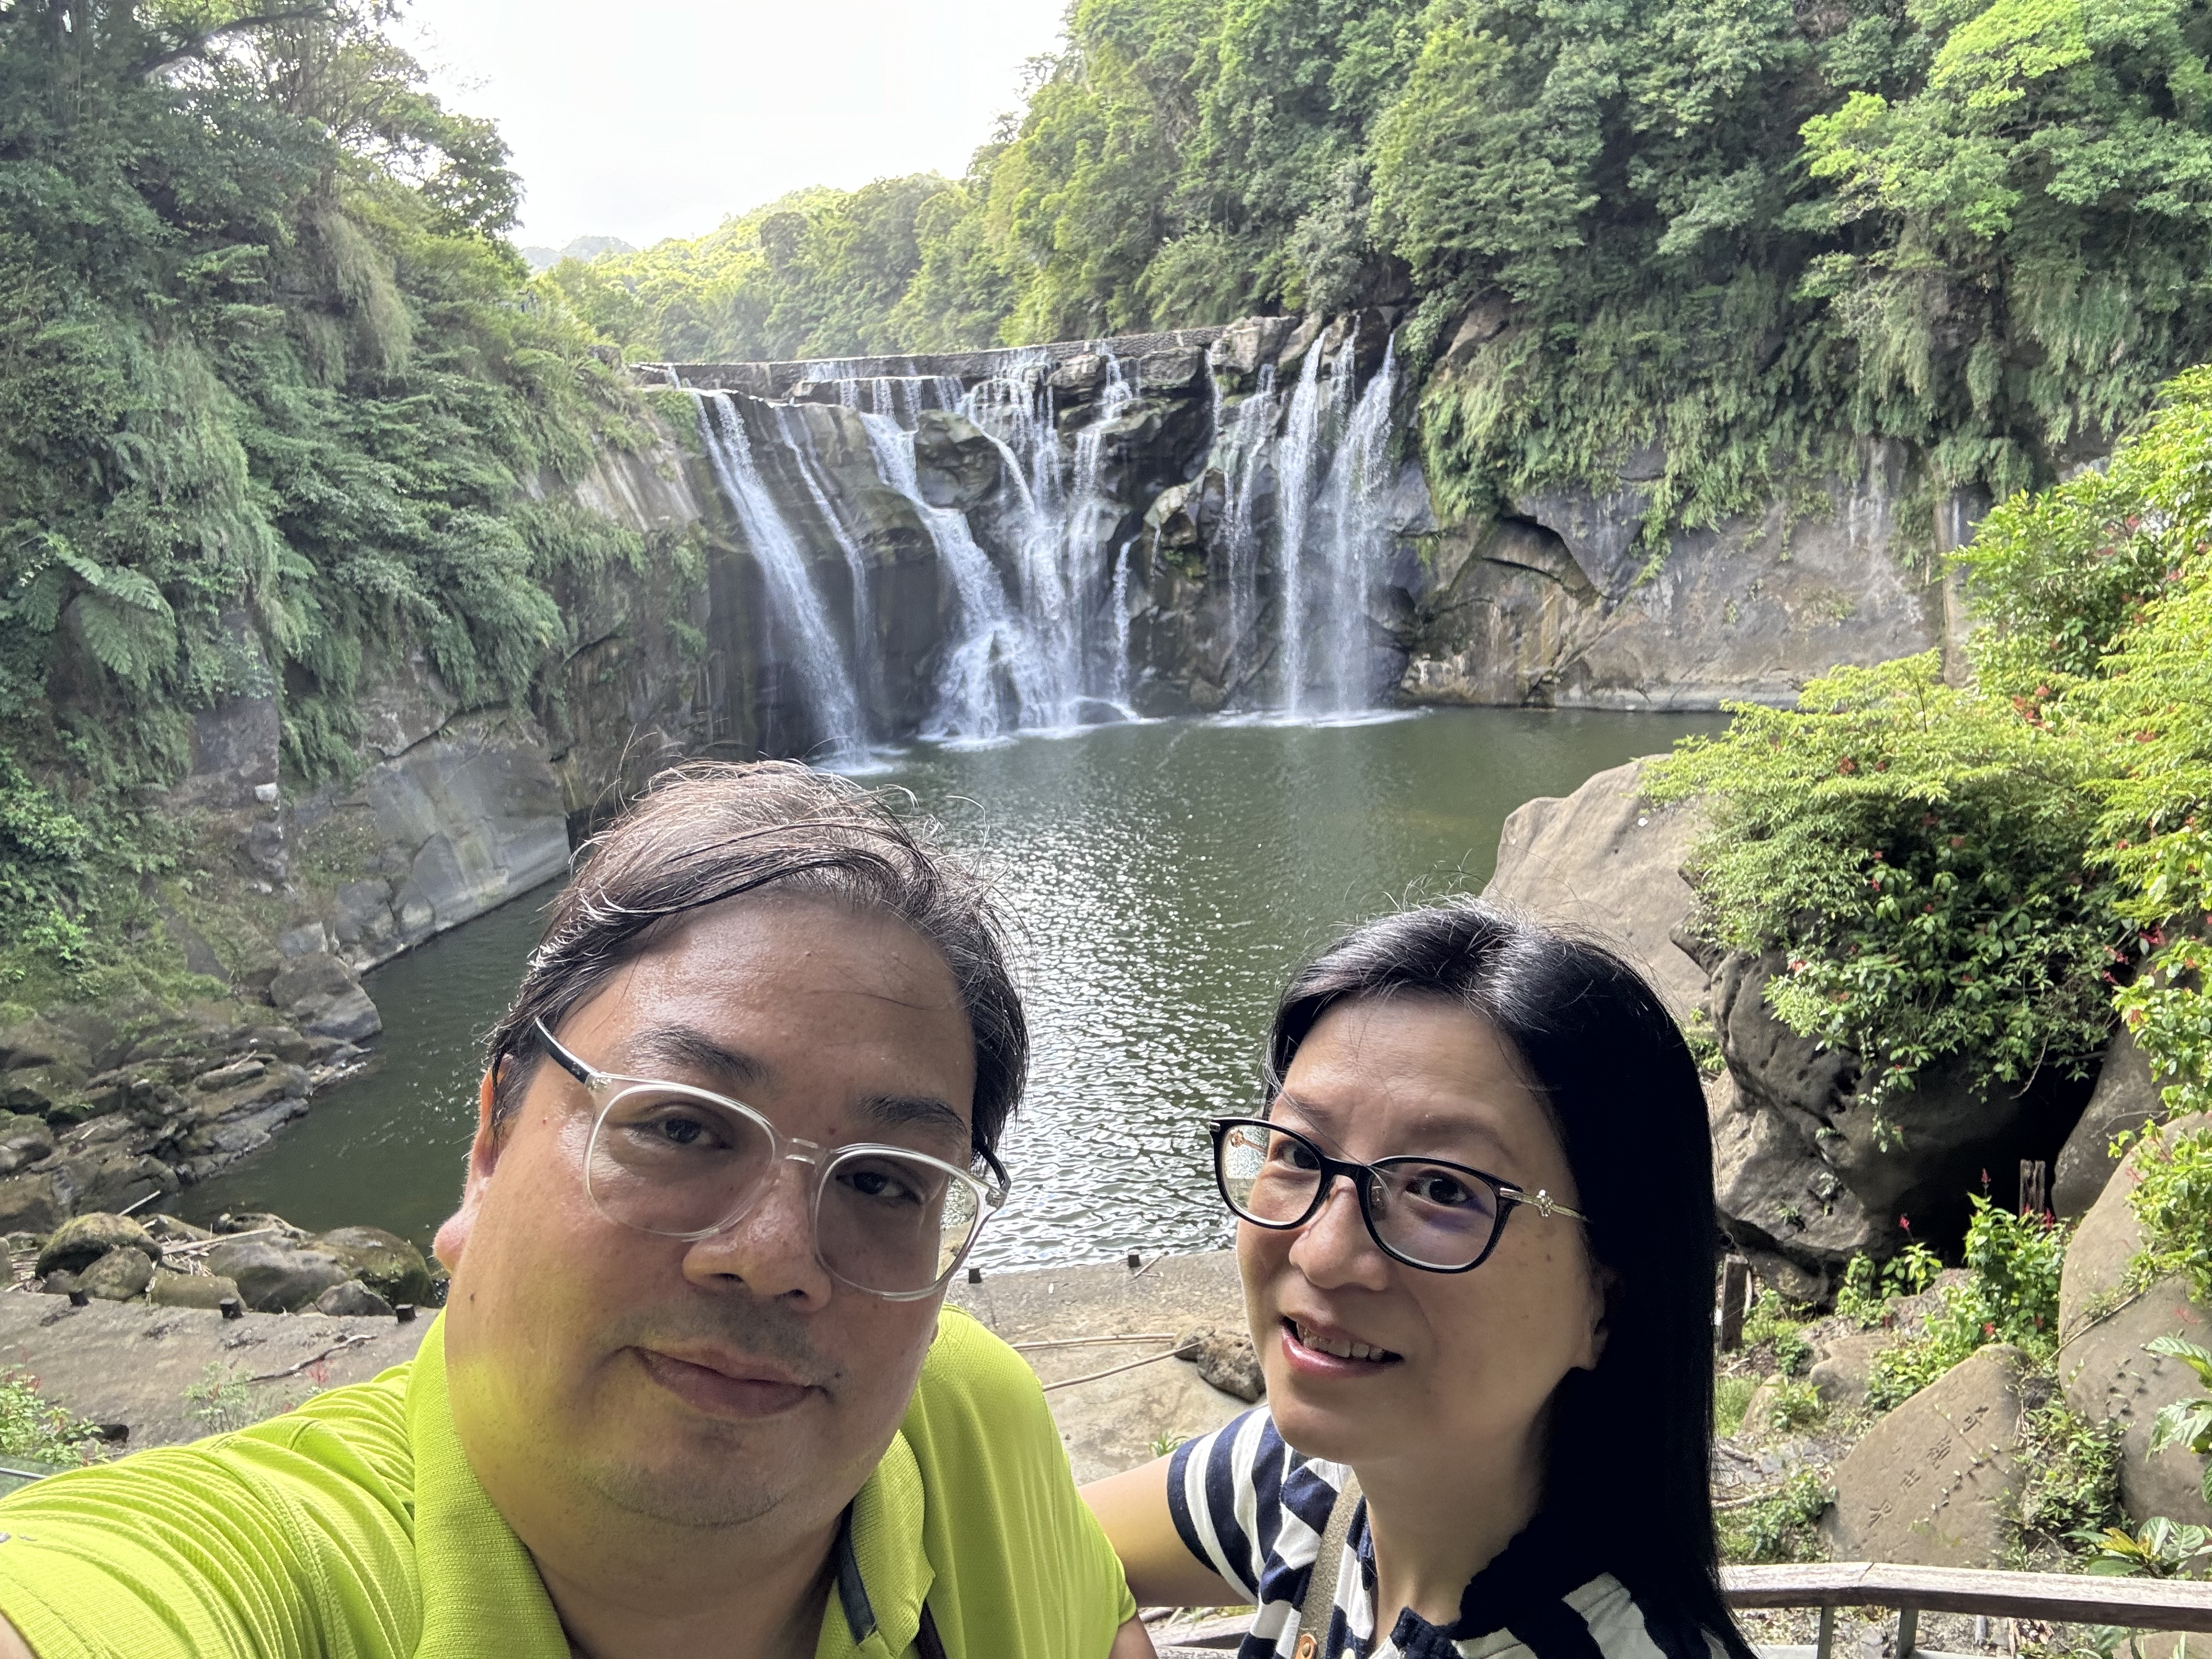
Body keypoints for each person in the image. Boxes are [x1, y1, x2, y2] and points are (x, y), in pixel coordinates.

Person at [0, 763, 1154, 1659]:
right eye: (682, 1127)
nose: (772, 1257)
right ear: (491, 1144)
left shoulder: (965, 1421)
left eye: (882, 1181)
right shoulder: (270, 1575)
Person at [1087, 900, 1753, 1659]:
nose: (1322, 1254)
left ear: (1605, 1302)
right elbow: (1041, 1542)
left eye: (1442, 1189)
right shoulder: (1306, 1485)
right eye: (1299, 1155)